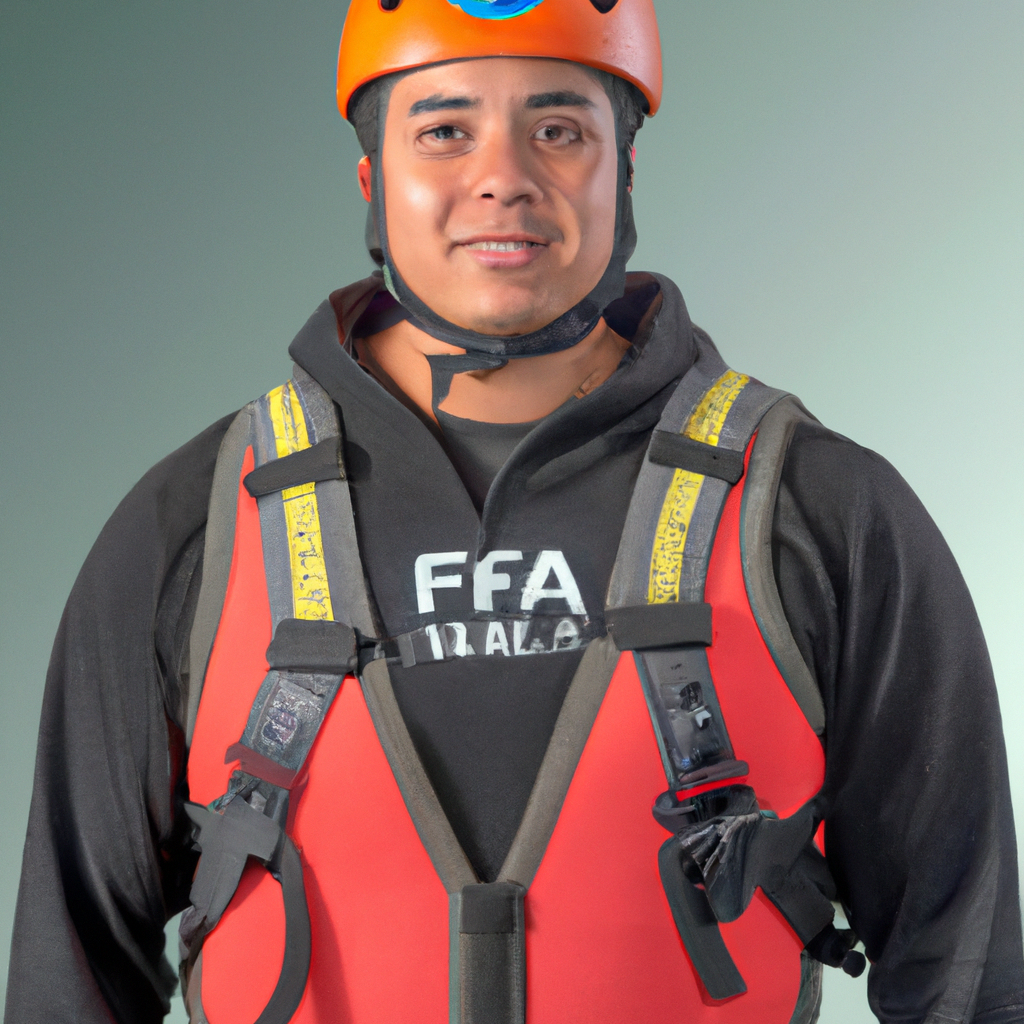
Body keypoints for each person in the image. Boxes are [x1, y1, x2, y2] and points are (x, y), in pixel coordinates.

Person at [5, 1, 1022, 1022]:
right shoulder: (191, 524)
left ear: (624, 170)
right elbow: (71, 974)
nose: (502, 176)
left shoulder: (821, 509)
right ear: (371, 180)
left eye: (559, 130)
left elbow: (967, 967)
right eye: (443, 130)